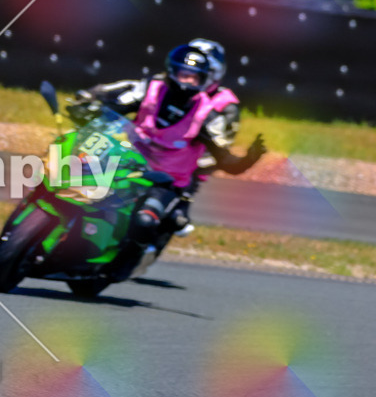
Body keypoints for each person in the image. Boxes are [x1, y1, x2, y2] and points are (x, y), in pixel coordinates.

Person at [69, 38, 266, 244]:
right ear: (172, 70)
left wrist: (247, 159)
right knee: (77, 177)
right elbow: (117, 102)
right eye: (183, 74)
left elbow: (223, 155)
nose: (187, 82)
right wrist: (89, 104)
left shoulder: (214, 111)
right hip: (128, 159)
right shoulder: (150, 89)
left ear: (208, 75)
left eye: (195, 76)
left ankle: (135, 251)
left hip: (173, 175)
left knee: (164, 221)